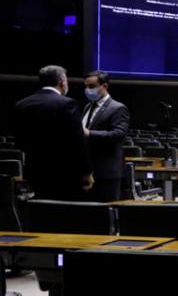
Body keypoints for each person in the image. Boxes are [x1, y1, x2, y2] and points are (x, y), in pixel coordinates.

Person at [13, 65, 92, 201]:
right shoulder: (67, 103)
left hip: (35, 172)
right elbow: (77, 142)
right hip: (66, 174)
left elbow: (19, 141)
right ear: (61, 82)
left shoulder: (21, 104)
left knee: (41, 215)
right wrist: (87, 172)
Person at [80, 70, 130, 202]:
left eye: (91, 87)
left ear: (105, 86)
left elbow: (118, 135)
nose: (87, 90)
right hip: (88, 171)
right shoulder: (87, 107)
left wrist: (89, 133)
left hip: (107, 173)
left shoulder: (118, 108)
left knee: (105, 215)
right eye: (86, 86)